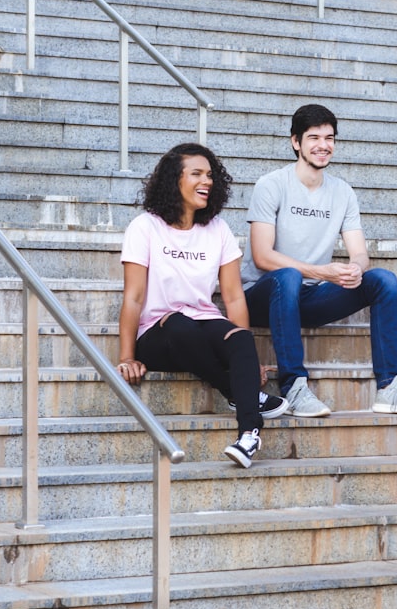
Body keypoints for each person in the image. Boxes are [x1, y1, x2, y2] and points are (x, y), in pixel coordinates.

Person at [241, 104, 397, 417]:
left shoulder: (342, 192)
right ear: (295, 142)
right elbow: (262, 256)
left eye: (329, 138)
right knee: (288, 276)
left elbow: (359, 252)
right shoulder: (271, 185)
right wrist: (322, 271)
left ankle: (391, 388)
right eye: (313, 137)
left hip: (311, 296)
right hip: (263, 294)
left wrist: (355, 269)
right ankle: (295, 387)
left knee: (383, 280)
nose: (323, 145)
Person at [118, 143, 288, 469]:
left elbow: (234, 297)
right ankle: (240, 392)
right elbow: (134, 296)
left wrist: (250, 362)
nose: (206, 181)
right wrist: (127, 357)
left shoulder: (218, 230)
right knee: (180, 325)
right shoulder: (145, 227)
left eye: (210, 175)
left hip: (202, 322)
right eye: (196, 174)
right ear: (174, 180)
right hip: (159, 332)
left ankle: (249, 434)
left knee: (239, 338)